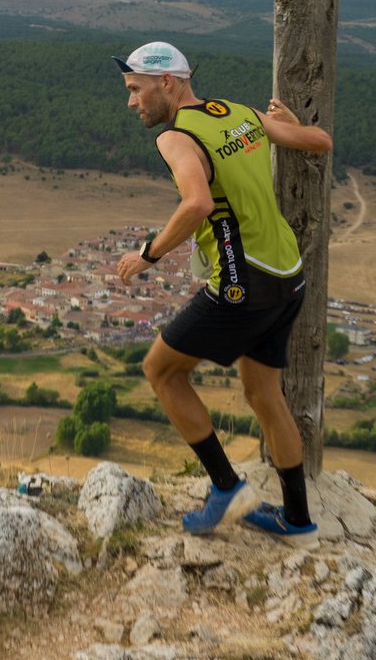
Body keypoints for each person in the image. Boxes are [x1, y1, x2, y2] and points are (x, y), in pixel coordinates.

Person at [113, 40, 332, 546]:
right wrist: (290, 123)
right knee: (264, 394)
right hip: (289, 276)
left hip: (243, 283)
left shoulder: (176, 137)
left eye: (136, 89)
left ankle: (226, 487)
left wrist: (148, 254)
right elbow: (319, 140)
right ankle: (297, 521)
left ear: (167, 82)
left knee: (161, 370)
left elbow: (197, 204)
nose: (131, 101)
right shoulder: (238, 113)